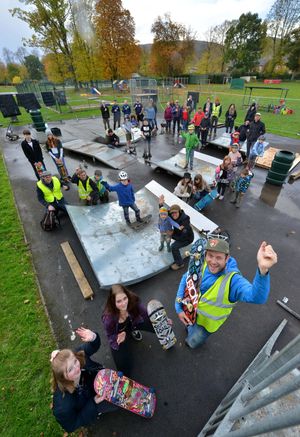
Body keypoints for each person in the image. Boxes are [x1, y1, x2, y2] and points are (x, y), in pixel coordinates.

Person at [175, 238, 278, 349]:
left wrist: (263, 270)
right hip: (189, 312)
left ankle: (191, 341)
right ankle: (189, 329)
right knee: (189, 327)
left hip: (206, 326)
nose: (213, 262)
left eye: (219, 257)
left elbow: (257, 297)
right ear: (205, 255)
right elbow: (186, 278)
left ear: (227, 258)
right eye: (210, 256)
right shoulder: (201, 262)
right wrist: (179, 306)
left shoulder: (233, 281)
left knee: (193, 341)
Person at [51, 327, 117, 433]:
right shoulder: (63, 406)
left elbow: (93, 346)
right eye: (70, 369)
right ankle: (99, 411)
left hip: (96, 381)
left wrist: (93, 337)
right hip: (90, 402)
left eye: (75, 361)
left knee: (117, 390)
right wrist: (94, 403)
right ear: (63, 377)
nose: (77, 367)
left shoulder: (76, 355)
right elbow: (71, 425)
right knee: (115, 403)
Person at [102, 285, 155, 376]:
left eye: (124, 298)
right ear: (113, 302)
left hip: (133, 323)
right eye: (119, 301)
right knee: (123, 365)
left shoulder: (133, 300)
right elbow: (110, 335)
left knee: (155, 326)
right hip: (120, 334)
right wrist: (117, 338)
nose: (123, 303)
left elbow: (145, 314)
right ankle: (126, 376)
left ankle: (132, 331)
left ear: (127, 296)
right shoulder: (109, 318)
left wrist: (161, 321)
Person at [159, 195, 194, 271]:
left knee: (174, 247)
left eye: (175, 212)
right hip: (178, 232)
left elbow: (182, 238)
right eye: (172, 213)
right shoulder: (172, 215)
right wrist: (161, 205)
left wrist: (172, 235)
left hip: (187, 238)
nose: (174, 214)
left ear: (179, 211)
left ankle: (179, 264)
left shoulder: (185, 221)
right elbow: (164, 213)